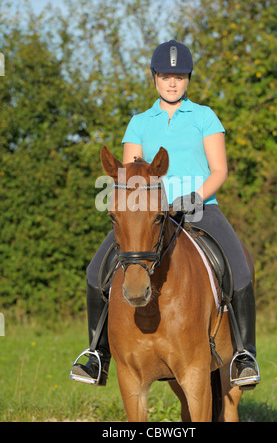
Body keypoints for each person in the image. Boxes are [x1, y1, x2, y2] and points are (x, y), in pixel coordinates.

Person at [70, 40, 260, 389]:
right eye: (165, 76)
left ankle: (243, 355)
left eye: (179, 77)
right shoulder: (139, 123)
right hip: (146, 216)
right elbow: (129, 174)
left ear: (188, 79)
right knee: (96, 270)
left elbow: (219, 170)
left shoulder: (205, 117)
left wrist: (192, 199)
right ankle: (98, 355)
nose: (172, 83)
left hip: (201, 210)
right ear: (154, 78)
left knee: (240, 268)